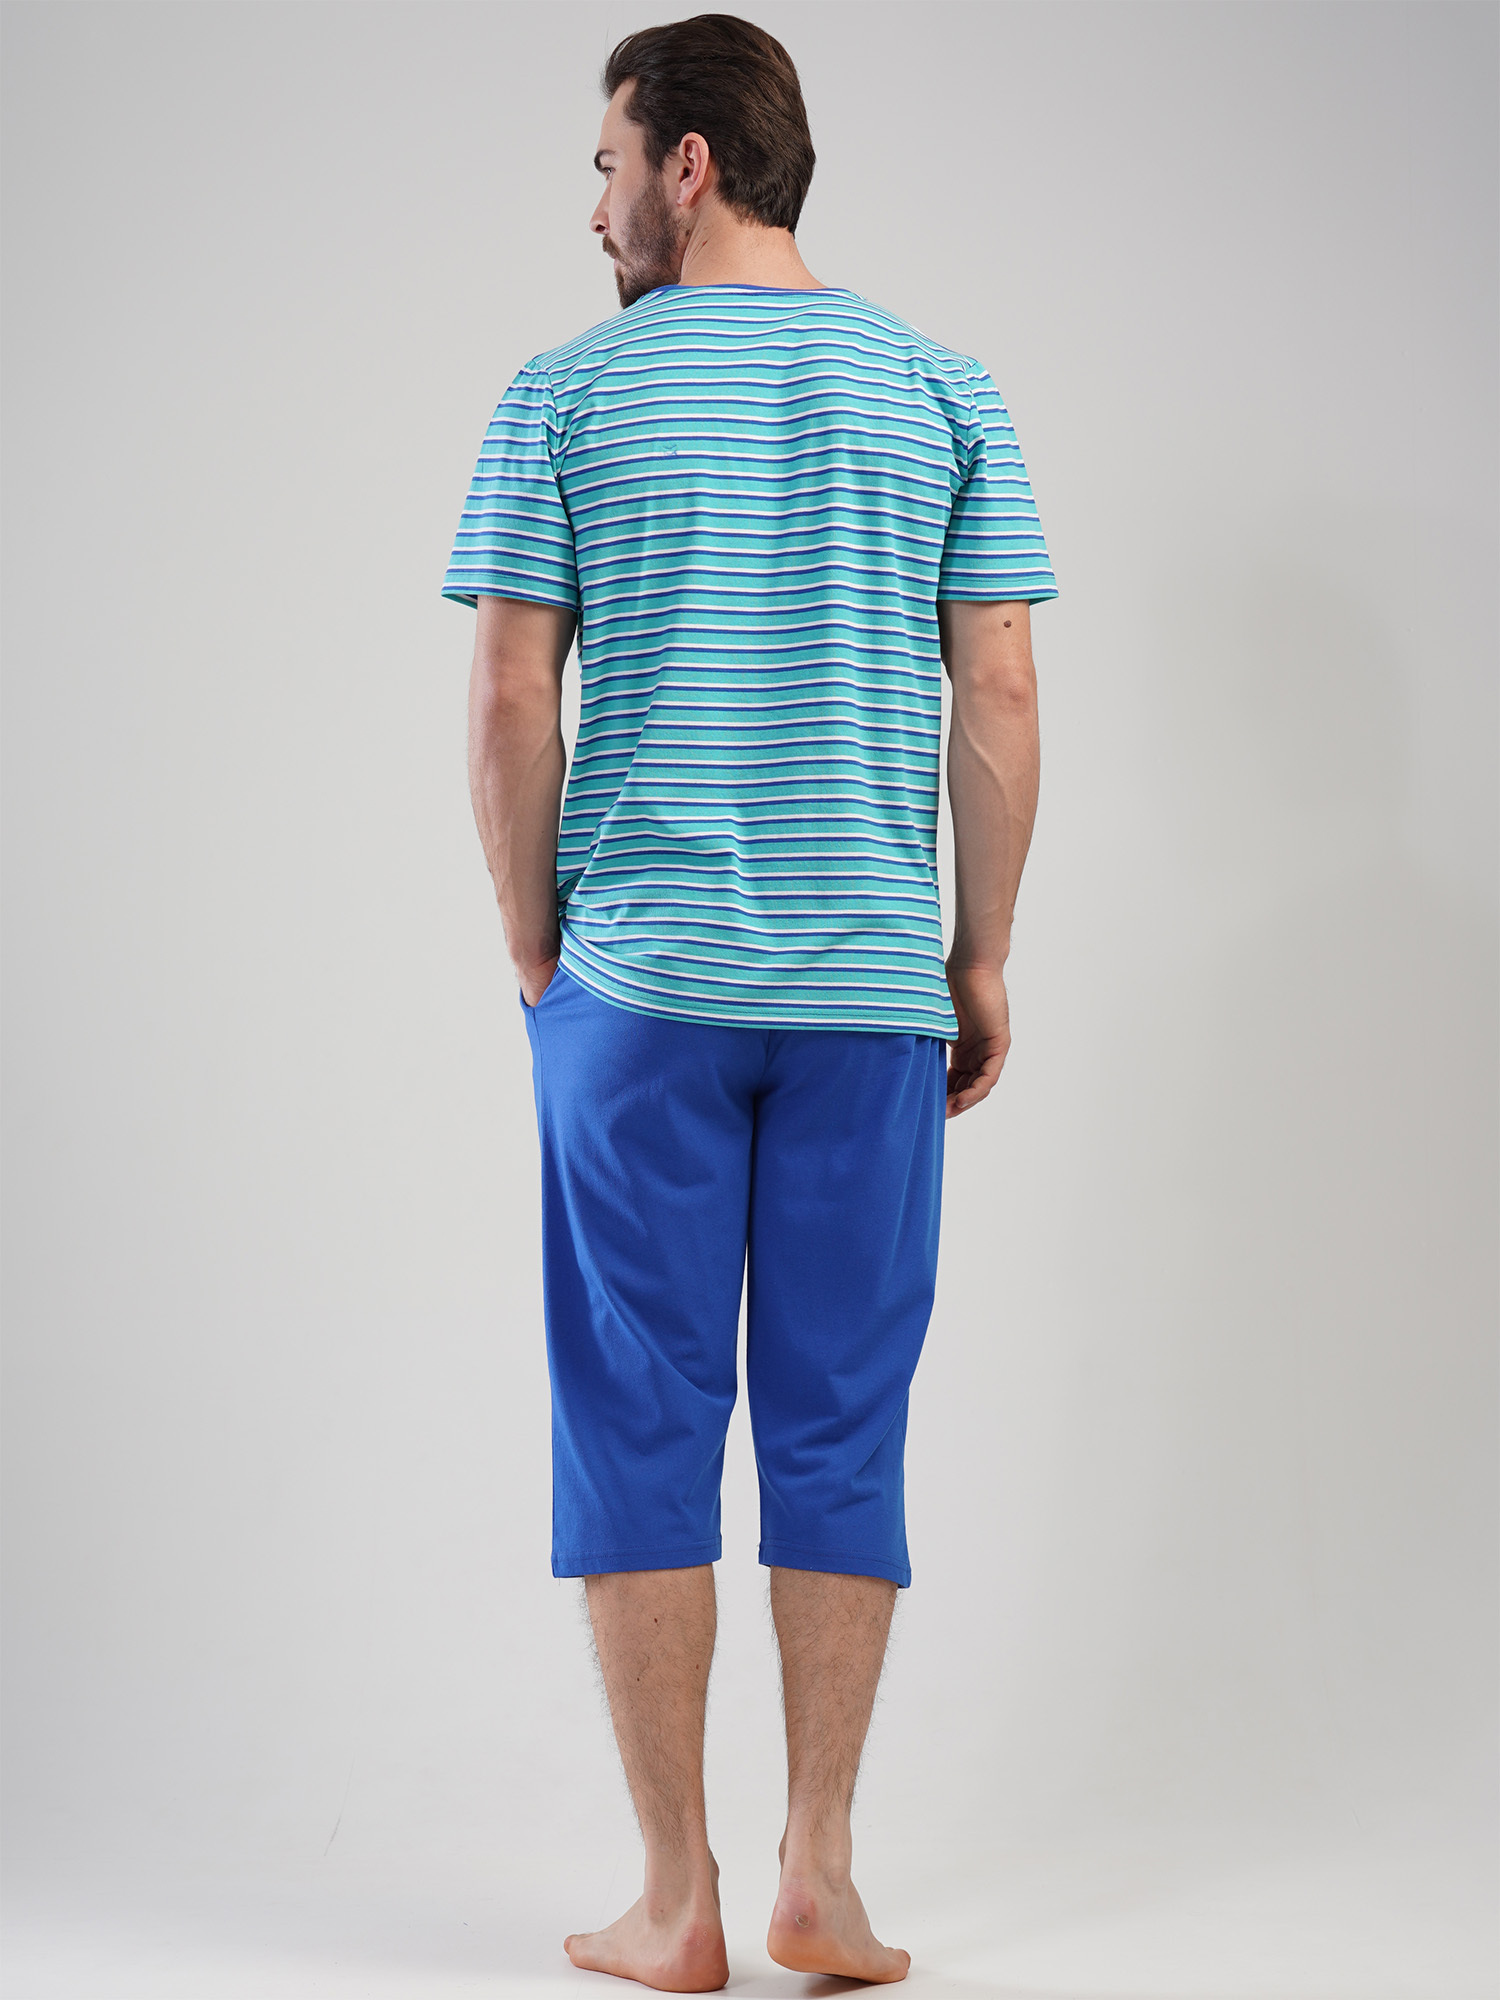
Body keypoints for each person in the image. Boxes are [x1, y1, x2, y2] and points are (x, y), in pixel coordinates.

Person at [443, 15, 1055, 1988]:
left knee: (637, 1412)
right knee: (840, 1418)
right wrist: (976, 954)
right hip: (870, 992)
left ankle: (676, 1896)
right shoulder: (942, 386)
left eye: (606, 164)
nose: (595, 207)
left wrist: (536, 943)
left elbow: (512, 693)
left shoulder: (564, 395)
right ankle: (823, 1873)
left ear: (688, 163)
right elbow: (1001, 686)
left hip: (642, 987)